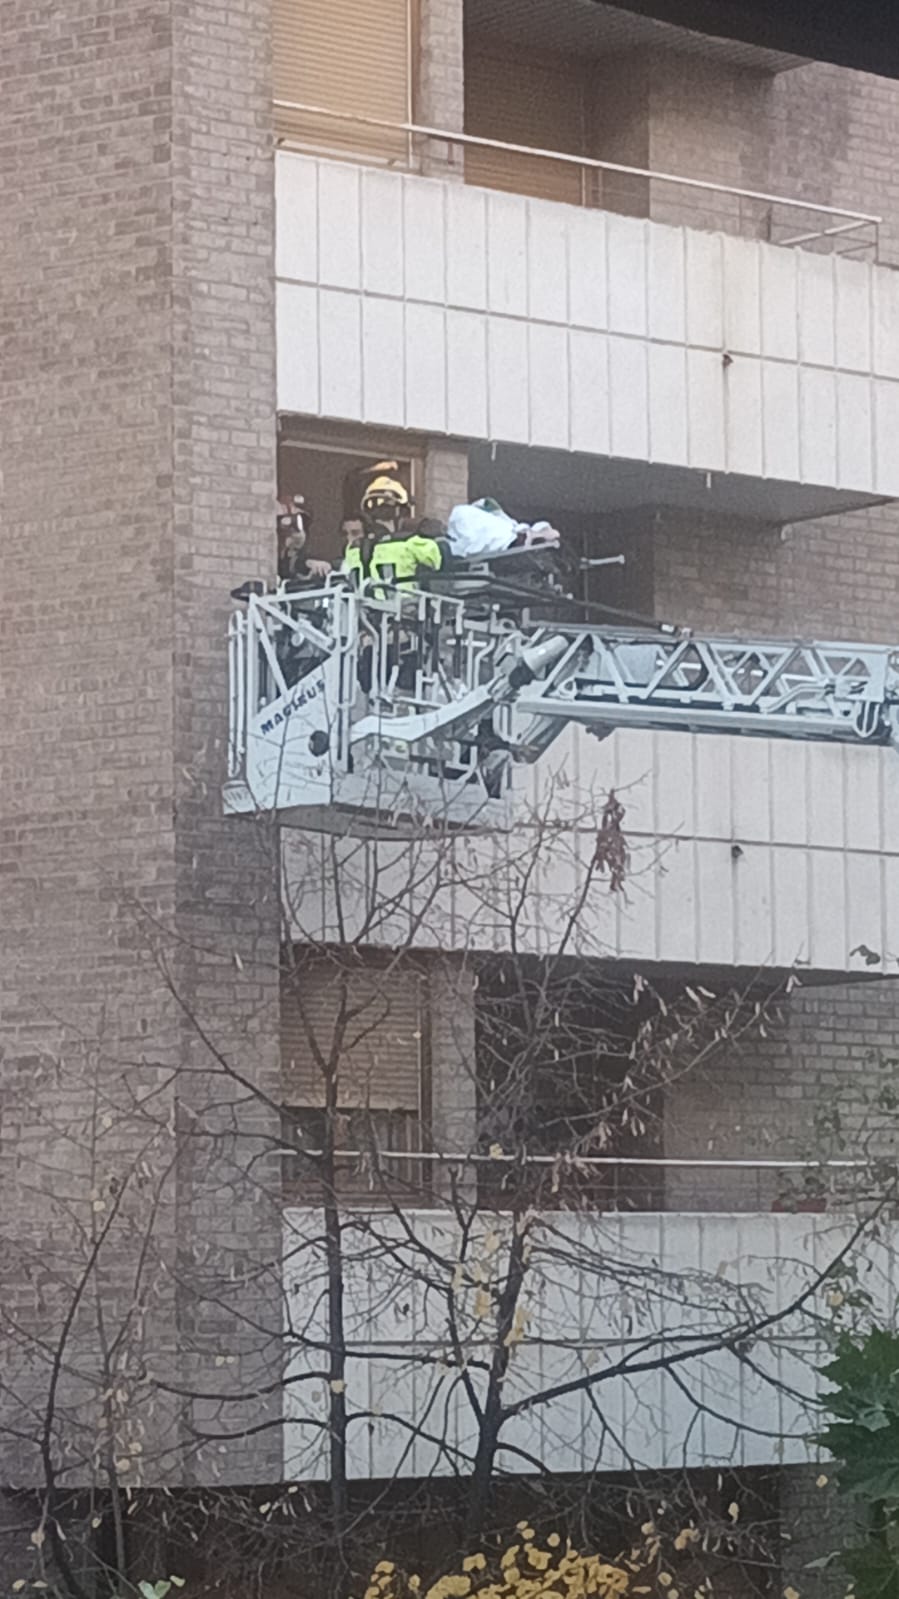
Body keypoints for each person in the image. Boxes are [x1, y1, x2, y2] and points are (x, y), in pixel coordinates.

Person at [276, 494, 332, 586]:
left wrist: (309, 564)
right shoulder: (269, 559)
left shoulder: (310, 559)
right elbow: (286, 565)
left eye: (303, 523)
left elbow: (295, 562)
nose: (298, 533)